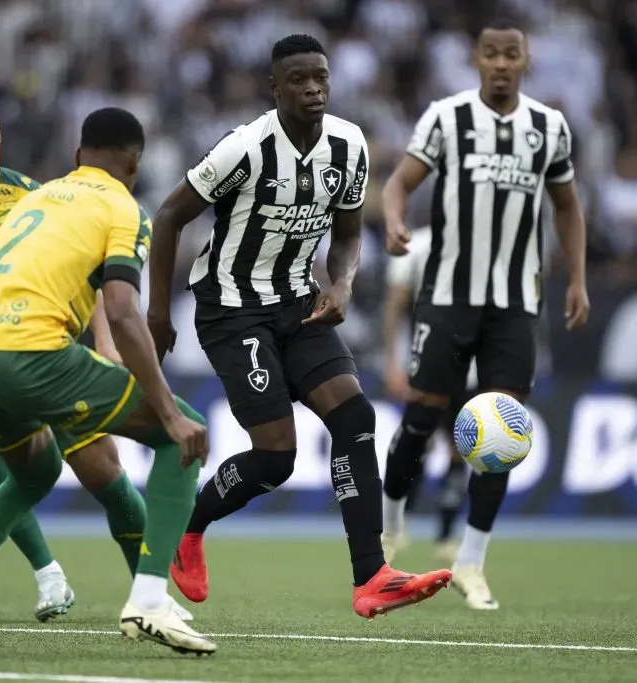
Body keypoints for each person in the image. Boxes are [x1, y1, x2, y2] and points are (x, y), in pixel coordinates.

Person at [0, 107, 216, 655]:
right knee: (185, 431)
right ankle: (150, 601)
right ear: (135, 162)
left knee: (35, 470)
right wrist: (167, 408)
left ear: (77, 157)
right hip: (32, 352)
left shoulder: (36, 197)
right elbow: (123, 310)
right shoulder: (123, 208)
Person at [147, 33, 451, 619]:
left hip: (298, 303)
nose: (312, 88)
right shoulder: (245, 148)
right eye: (298, 79)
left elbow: (347, 234)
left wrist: (342, 284)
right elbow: (168, 217)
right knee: (277, 456)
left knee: (356, 416)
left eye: (321, 78)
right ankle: (184, 529)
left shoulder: (349, 144)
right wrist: (159, 315)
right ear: (275, 86)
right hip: (231, 308)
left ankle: (373, 577)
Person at [379, 19, 590, 610]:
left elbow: (567, 207)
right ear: (477, 59)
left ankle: (471, 561)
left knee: (503, 433)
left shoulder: (548, 128)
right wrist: (395, 220)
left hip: (515, 304)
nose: (501, 63)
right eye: (491, 54)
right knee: (420, 420)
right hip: (448, 294)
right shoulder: (447, 117)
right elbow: (400, 183)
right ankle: (391, 528)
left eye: (511, 55)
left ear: (525, 62)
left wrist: (575, 277)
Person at [381, 226, 473, 564]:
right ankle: (398, 521)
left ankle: (447, 534)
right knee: (419, 439)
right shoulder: (418, 244)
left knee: (461, 445)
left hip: (470, 365)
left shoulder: (483, 245)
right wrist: (393, 361)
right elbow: (395, 305)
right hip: (426, 360)